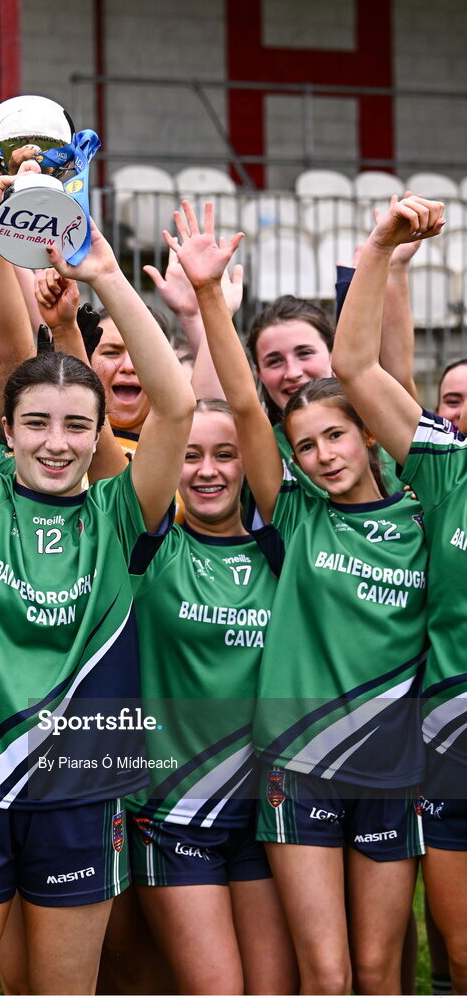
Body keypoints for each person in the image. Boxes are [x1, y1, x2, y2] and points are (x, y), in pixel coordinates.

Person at [0, 162, 194, 995]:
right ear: (10, 426)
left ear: (100, 429)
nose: (57, 441)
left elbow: (174, 407)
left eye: (77, 424)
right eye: (36, 422)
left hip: (79, 795)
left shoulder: (120, 511)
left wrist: (103, 268)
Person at [172, 200, 428, 995]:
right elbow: (246, 405)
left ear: (369, 434)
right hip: (300, 765)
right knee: (327, 971)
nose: (320, 455)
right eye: (307, 442)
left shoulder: (424, 508)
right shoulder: (293, 510)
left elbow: (394, 376)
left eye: (337, 436)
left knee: (382, 970)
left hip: (392, 764)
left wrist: (386, 264)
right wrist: (212, 298)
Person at [331, 194, 467, 992]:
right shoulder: (446, 472)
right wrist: (379, 246)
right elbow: (354, 367)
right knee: (457, 954)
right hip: (451, 751)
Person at [125, 398, 298, 995]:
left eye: (226, 454)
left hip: (267, 814)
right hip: (174, 815)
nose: (207, 470)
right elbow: (99, 447)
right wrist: (68, 329)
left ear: (250, 461)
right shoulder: (150, 548)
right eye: (190, 454)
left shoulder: (285, 554)